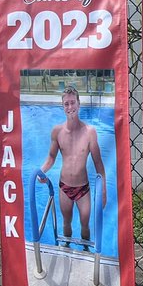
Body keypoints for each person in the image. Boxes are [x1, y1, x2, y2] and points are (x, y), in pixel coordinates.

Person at [39, 85, 106, 249]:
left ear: (79, 104)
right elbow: (51, 158)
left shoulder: (90, 132)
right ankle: (67, 246)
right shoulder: (57, 132)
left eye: (72, 102)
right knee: (66, 223)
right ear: (63, 107)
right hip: (64, 187)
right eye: (66, 104)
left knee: (85, 224)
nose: (70, 107)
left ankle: (85, 249)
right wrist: (41, 172)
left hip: (83, 189)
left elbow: (98, 163)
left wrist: (103, 191)